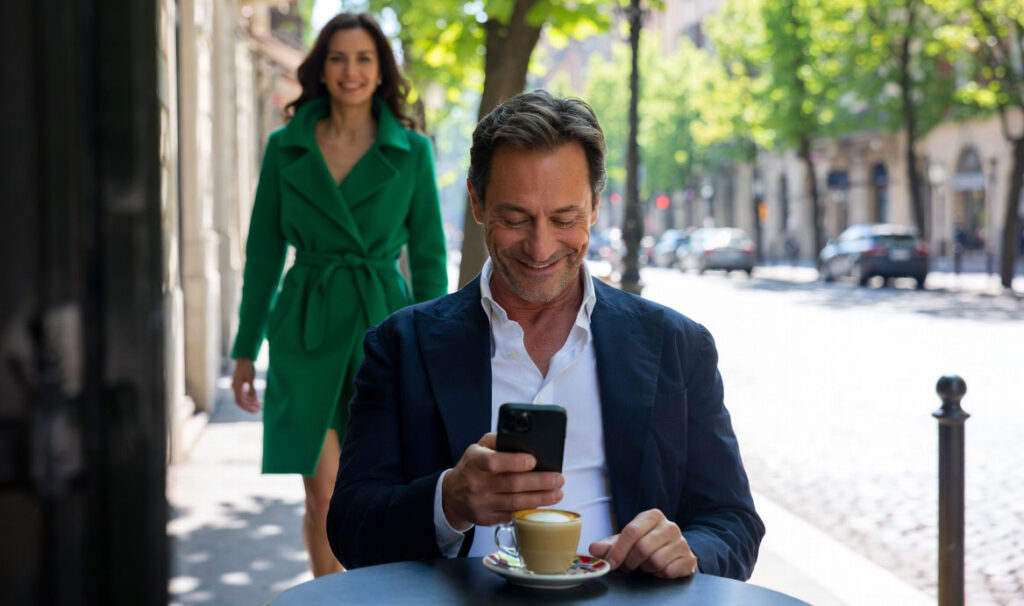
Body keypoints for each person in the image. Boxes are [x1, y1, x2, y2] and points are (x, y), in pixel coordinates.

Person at [327, 90, 763, 580]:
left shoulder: (678, 347)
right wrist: (447, 501)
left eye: (564, 219)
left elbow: (734, 522)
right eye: (515, 219)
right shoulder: (399, 347)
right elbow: (350, 528)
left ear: (595, 206)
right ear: (476, 201)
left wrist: (688, 552)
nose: (540, 247)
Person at [230, 12, 448, 577]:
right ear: (320, 69)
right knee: (323, 495)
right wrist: (245, 349)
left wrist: (438, 349)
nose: (350, 71)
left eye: (364, 58)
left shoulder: (412, 151)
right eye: (338, 58)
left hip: (383, 323)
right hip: (306, 324)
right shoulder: (286, 148)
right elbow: (262, 253)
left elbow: (427, 258)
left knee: (379, 489)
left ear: (381, 72)